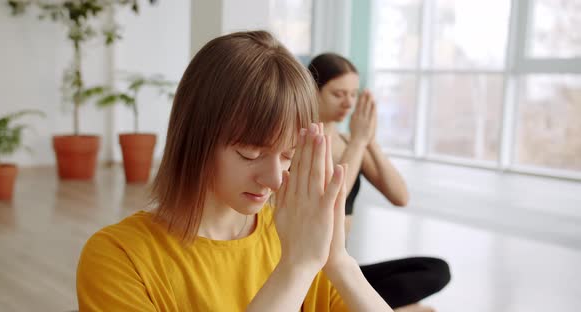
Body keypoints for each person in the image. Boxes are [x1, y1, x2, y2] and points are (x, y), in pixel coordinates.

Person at [76, 31, 395, 311]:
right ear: (196, 137)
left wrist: (339, 261)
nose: (274, 179)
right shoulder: (118, 257)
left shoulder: (294, 235)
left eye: (288, 155)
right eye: (250, 153)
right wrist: (295, 267)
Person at [308, 53, 451, 312]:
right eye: (338, 94)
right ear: (313, 92)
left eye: (353, 94)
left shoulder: (351, 143)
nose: (348, 103)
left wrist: (369, 141)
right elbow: (331, 201)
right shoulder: (304, 144)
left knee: (436, 270)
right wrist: (359, 143)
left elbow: (400, 197)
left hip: (342, 266)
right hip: (314, 272)